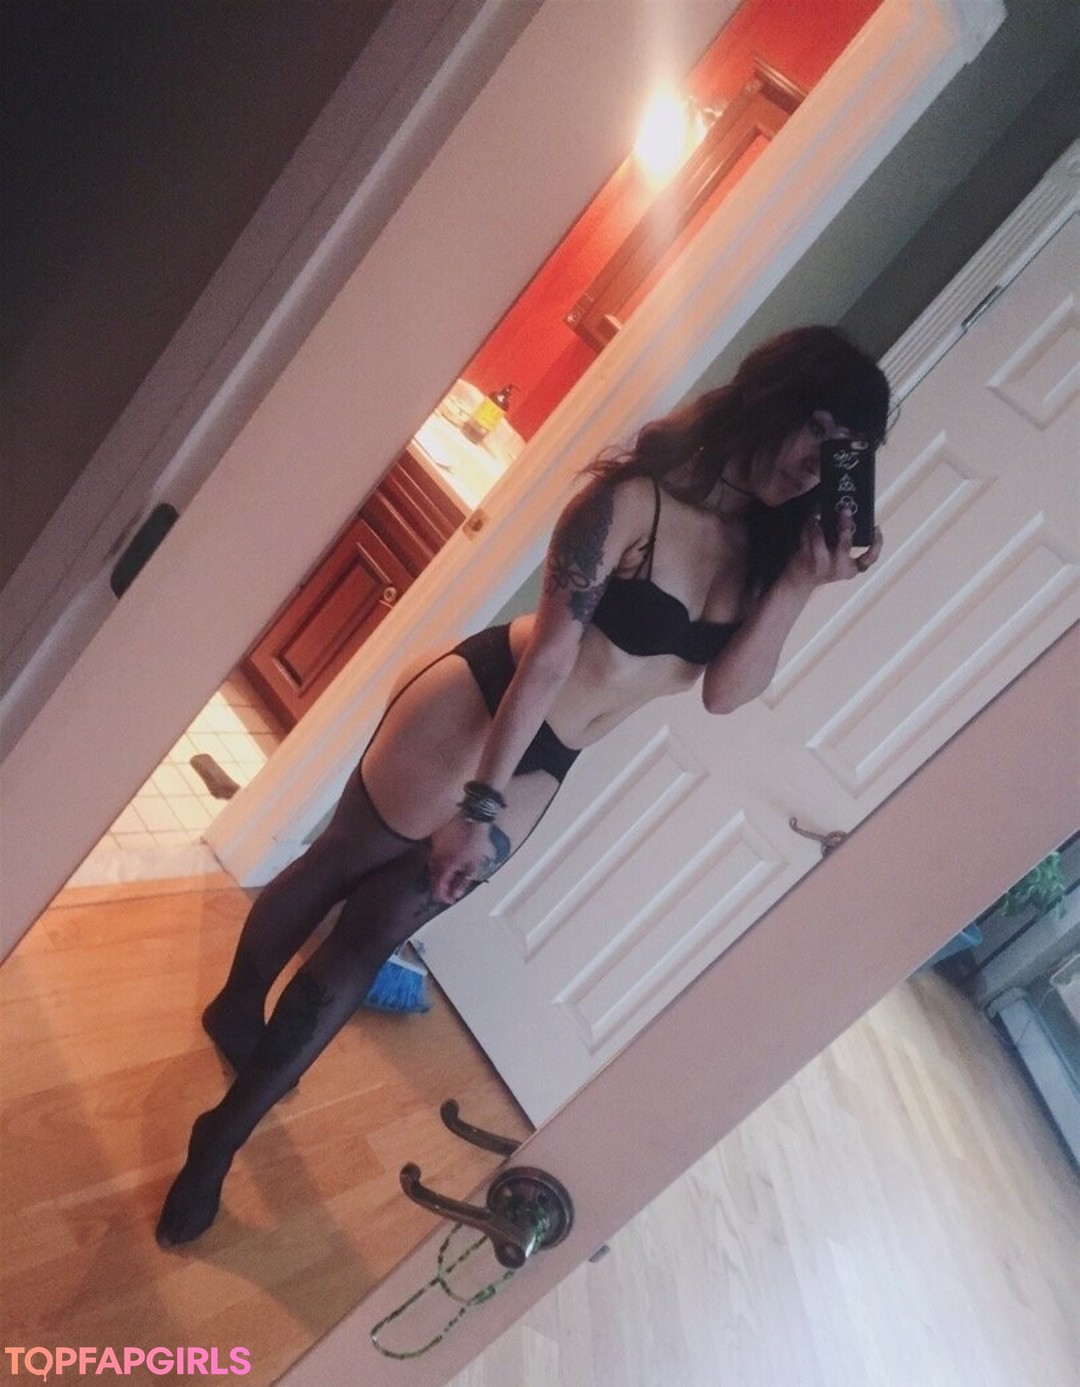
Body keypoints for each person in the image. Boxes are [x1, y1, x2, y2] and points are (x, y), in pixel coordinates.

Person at [155, 324, 890, 1246]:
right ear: (771, 396)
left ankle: (221, 1135)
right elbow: (547, 660)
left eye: (846, 451)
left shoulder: (768, 556)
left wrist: (802, 585)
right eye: (817, 429)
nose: (819, 465)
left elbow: (726, 694)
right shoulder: (633, 499)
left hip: (554, 755)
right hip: (482, 700)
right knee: (340, 865)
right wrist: (479, 803)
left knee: (375, 932)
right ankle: (236, 1002)